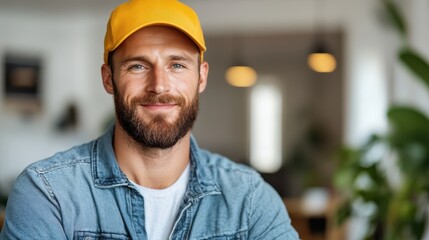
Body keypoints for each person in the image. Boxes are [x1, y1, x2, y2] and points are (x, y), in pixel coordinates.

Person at [0, 0, 299, 239]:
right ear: (108, 79)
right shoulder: (48, 194)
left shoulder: (249, 198)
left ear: (201, 77)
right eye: (138, 66)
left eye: (178, 65)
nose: (159, 85)